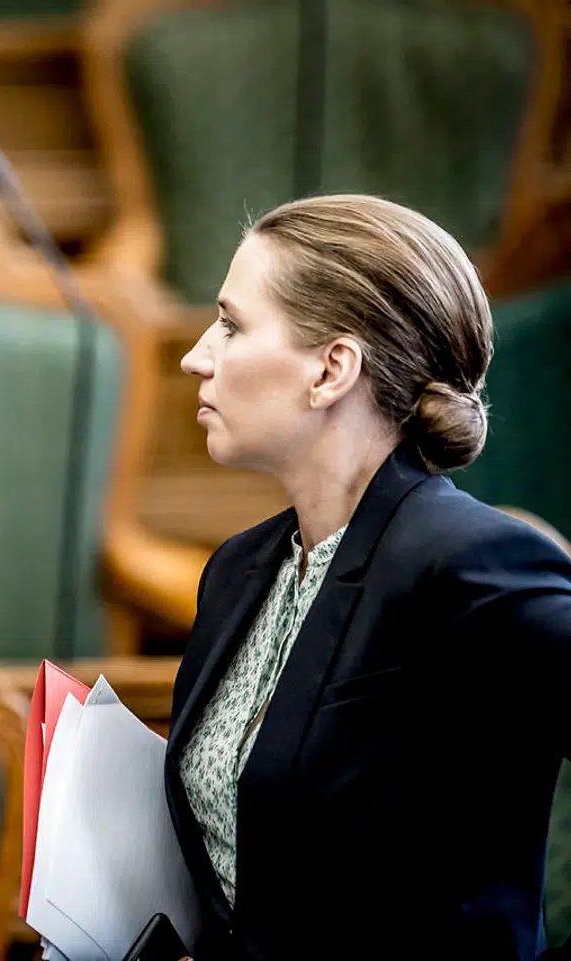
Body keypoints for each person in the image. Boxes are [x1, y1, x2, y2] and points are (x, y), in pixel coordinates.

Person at [170, 194, 571, 961]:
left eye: (231, 324)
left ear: (332, 369)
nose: (197, 354)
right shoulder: (238, 570)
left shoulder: (470, 564)